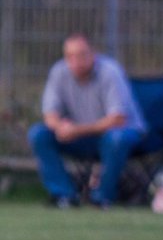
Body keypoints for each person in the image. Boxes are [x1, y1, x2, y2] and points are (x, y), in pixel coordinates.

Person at [28, 33, 147, 208]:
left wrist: (75, 130)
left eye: (82, 55)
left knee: (116, 138)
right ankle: (64, 196)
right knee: (39, 134)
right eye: (70, 56)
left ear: (93, 54)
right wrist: (60, 127)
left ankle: (102, 197)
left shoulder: (110, 72)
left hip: (119, 136)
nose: (76, 61)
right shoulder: (58, 72)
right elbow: (50, 115)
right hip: (79, 137)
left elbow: (118, 119)